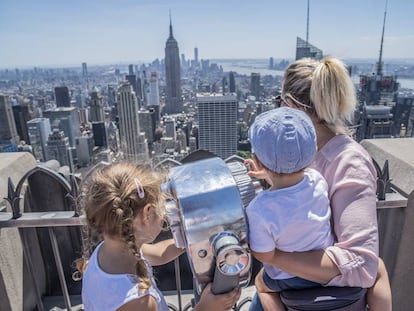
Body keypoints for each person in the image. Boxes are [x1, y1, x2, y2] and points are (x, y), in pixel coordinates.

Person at [246, 57, 392, 311]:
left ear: (290, 105)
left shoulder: (349, 162)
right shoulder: (308, 159)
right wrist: (271, 176)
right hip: (295, 289)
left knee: (262, 282)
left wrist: (277, 259)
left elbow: (361, 265)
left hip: (308, 299)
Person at [79, 162, 241, 311]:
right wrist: (206, 308)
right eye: (162, 208)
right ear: (147, 214)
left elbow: (159, 253)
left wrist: (195, 235)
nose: (164, 215)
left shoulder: (109, 252)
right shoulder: (139, 302)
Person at [246, 106, 335, 311]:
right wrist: (270, 175)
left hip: (285, 279)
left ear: (258, 161)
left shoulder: (259, 209)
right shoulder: (318, 181)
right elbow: (292, 192)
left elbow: (264, 254)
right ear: (313, 152)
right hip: (321, 272)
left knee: (262, 288)